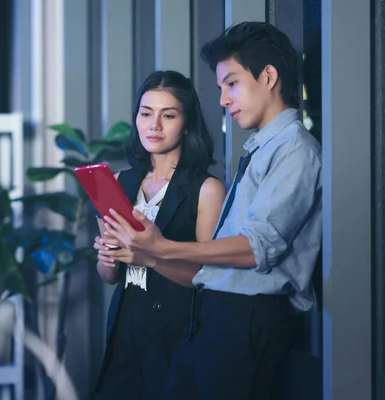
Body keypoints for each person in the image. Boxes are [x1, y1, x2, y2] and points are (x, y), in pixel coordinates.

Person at [103, 22, 322, 399]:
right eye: (221, 87)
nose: (222, 99)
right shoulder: (261, 147)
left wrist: (160, 248)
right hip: (215, 316)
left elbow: (257, 247)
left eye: (231, 83)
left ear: (268, 77)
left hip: (248, 317)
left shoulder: (295, 148)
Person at [93, 70, 226, 399]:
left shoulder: (207, 189)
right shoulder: (120, 181)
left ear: (187, 122)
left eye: (168, 115)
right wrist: (108, 257)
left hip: (178, 332)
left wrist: (149, 256)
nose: (154, 125)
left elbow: (206, 279)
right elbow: (110, 277)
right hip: (125, 326)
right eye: (145, 113)